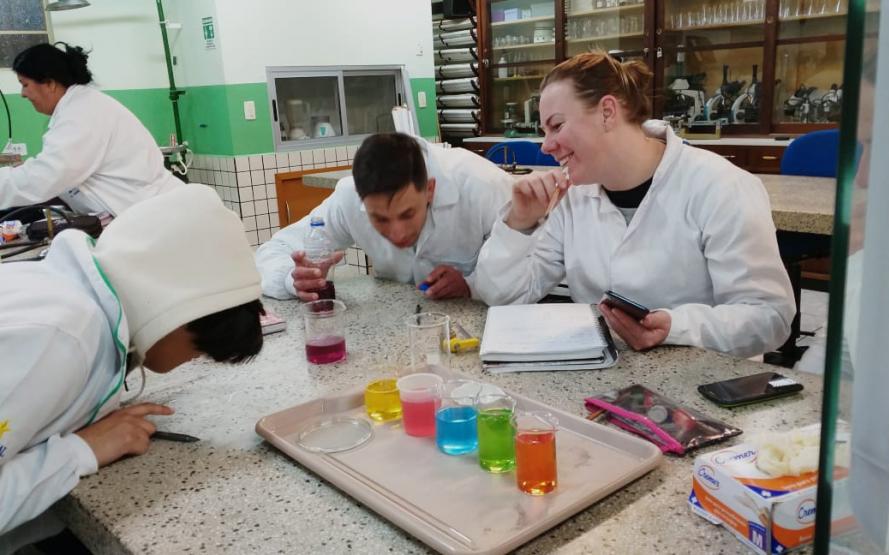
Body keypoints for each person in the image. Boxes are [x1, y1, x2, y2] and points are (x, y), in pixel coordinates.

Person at [474, 52, 795, 358]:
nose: (545, 146)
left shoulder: (721, 186)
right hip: (608, 374)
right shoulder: (572, 197)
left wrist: (675, 327)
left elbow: (769, 316)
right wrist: (518, 223)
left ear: (607, 112)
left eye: (557, 126)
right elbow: (504, 296)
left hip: (709, 380)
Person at [0, 184, 264, 534]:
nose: (193, 360)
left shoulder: (75, 302)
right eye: (201, 350)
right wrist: (81, 451)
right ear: (177, 312)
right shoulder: (59, 338)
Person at [256, 133, 513, 301]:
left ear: (430, 189)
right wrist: (294, 280)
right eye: (380, 219)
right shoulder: (348, 196)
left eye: (407, 214)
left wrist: (471, 285)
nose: (398, 234)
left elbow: (527, 268)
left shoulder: (482, 185)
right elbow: (274, 249)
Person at [0, 42, 182, 216]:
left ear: (49, 83)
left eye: (25, 84)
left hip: (153, 213)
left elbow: (46, 176)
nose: (23, 94)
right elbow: (59, 172)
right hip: (142, 210)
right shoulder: (79, 106)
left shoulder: (80, 112)